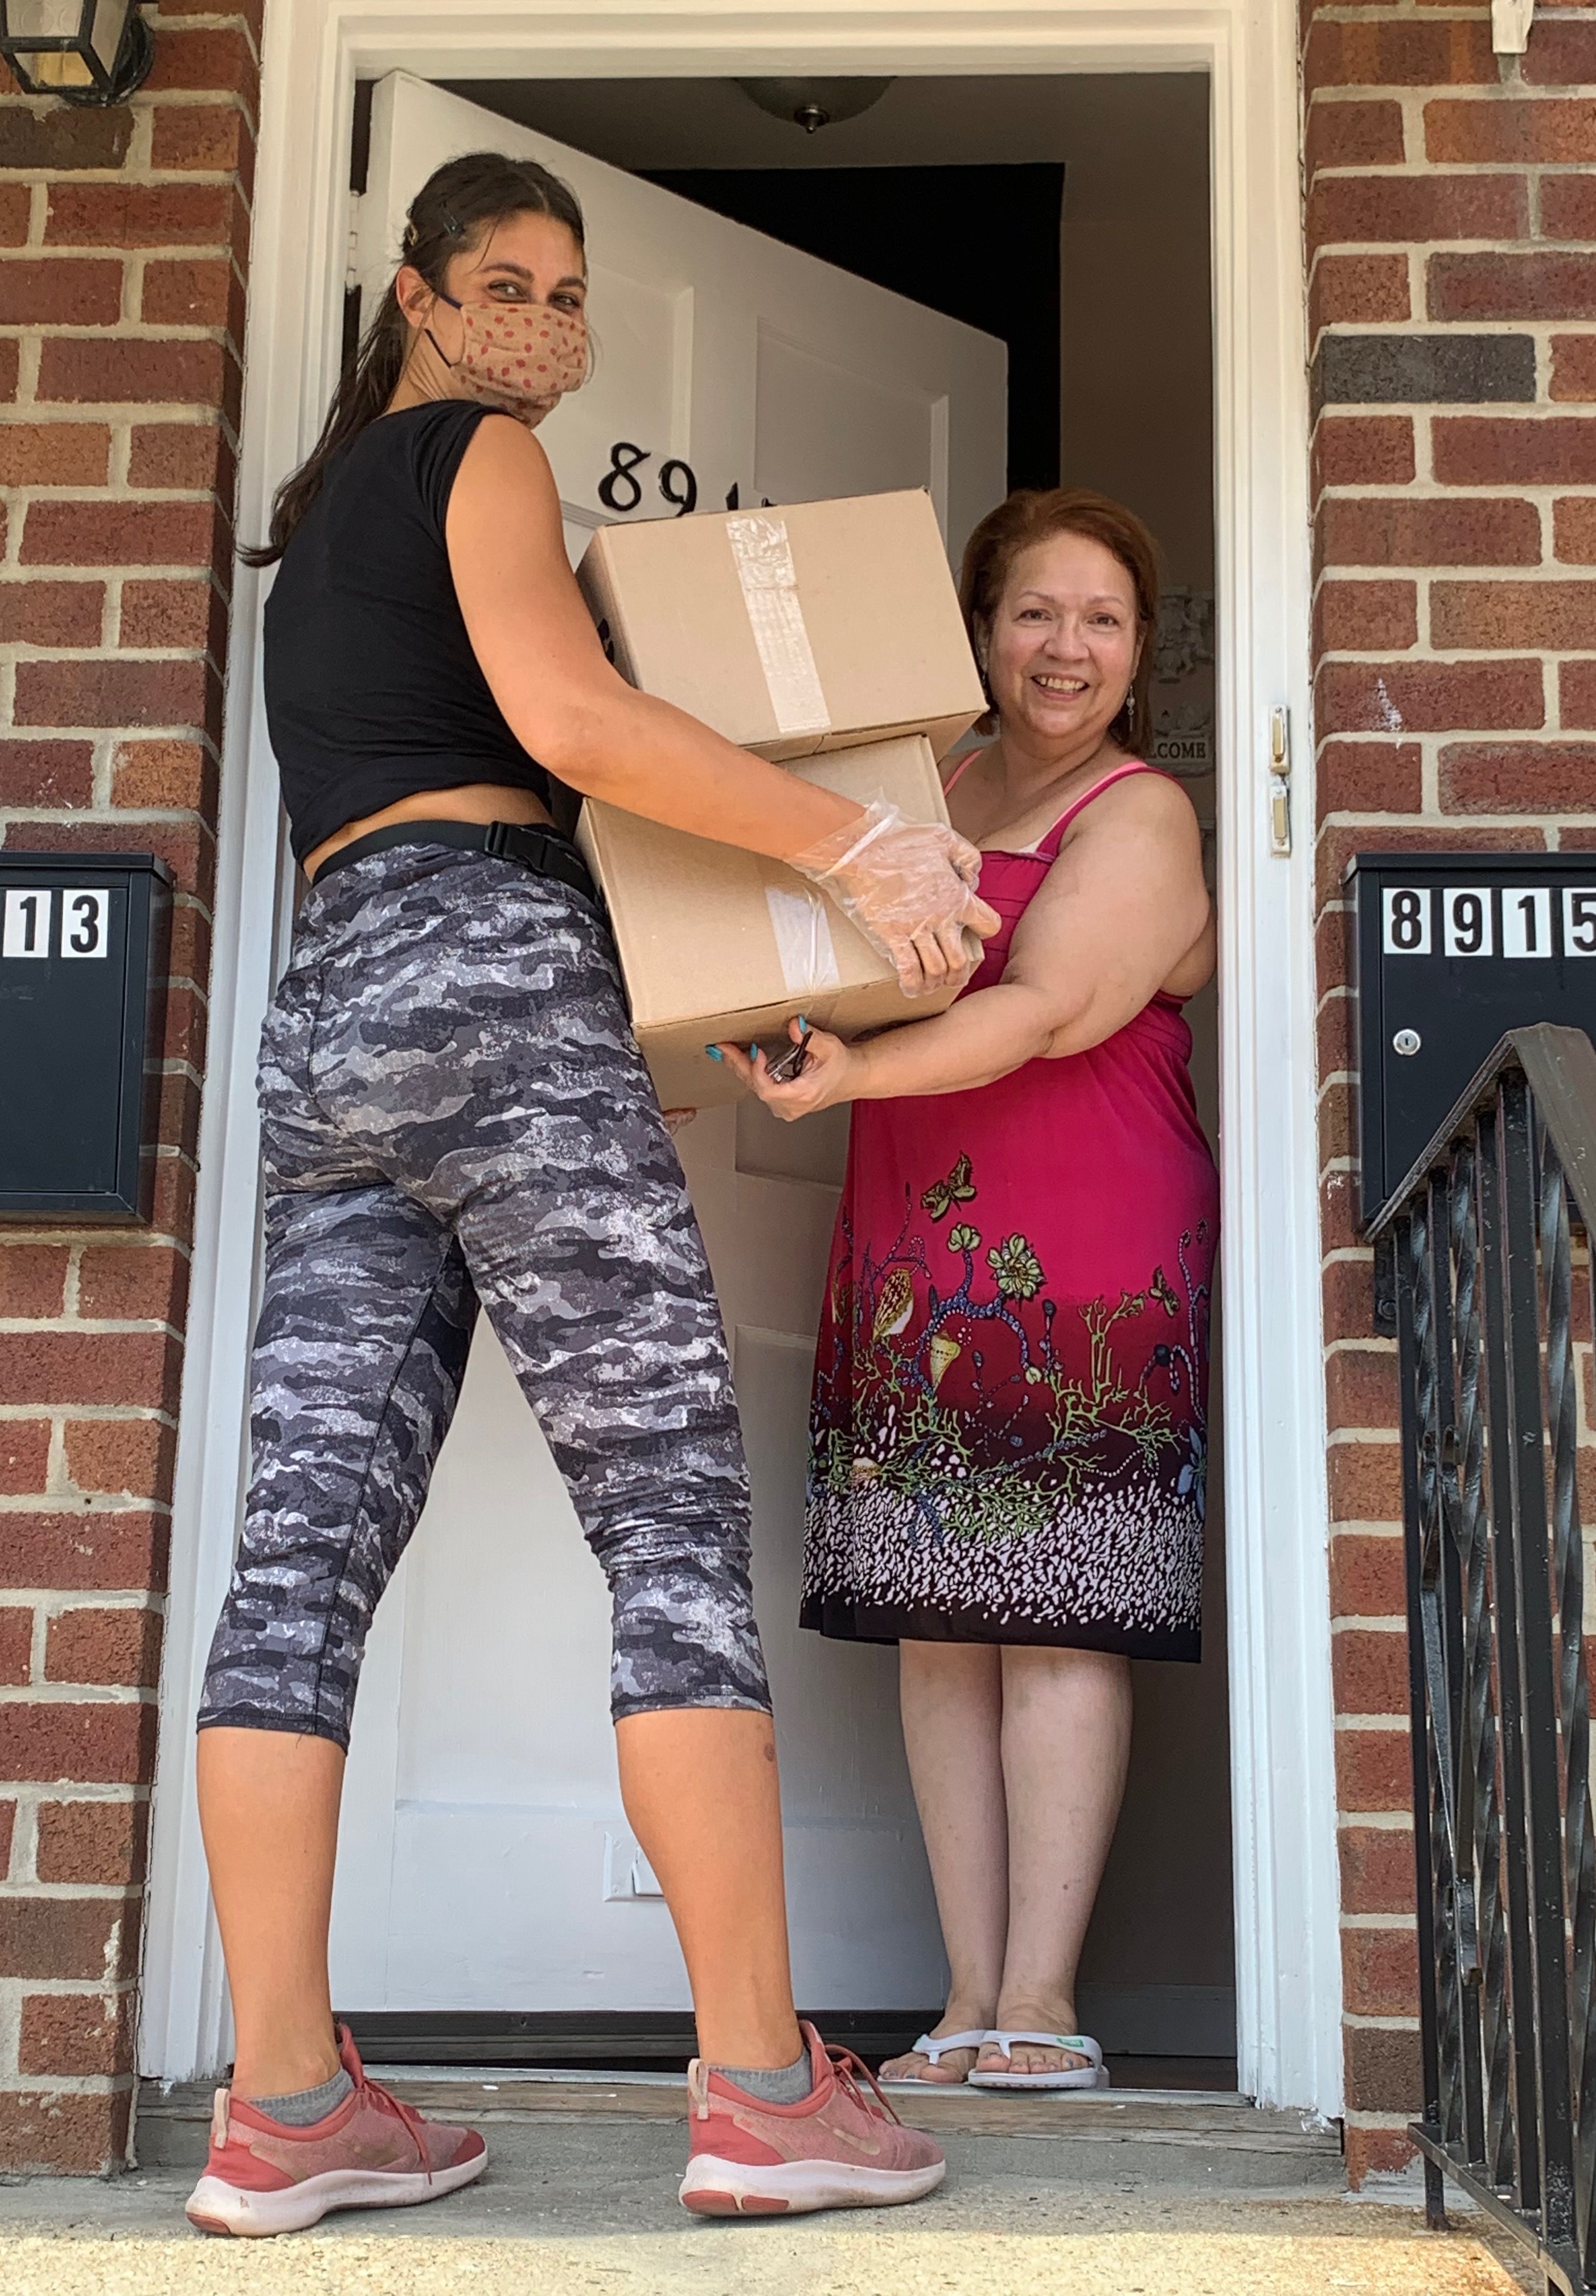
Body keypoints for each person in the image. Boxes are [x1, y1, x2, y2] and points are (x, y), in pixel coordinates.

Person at [182, 151, 998, 2238]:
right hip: (500, 992)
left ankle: (283, 2104)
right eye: (508, 287)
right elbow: (573, 724)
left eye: (568, 294)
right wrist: (860, 849)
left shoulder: (311, 542)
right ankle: (759, 2090)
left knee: (293, 1567)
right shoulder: (474, 459)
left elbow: (460, 768)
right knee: (667, 1523)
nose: (549, 327)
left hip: (333, 1015)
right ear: (417, 298)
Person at [724, 487, 1217, 2094]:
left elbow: (1046, 1010)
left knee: (1058, 1615)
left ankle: (1046, 2000)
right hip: (915, 1233)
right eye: (1034, 612)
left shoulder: (1140, 812)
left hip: (1075, 1236)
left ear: (1139, 653)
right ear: (982, 629)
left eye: (1102, 620)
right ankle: (962, 2000)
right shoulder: (922, 790)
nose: (1065, 648)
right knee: (942, 1624)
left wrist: (851, 1067)